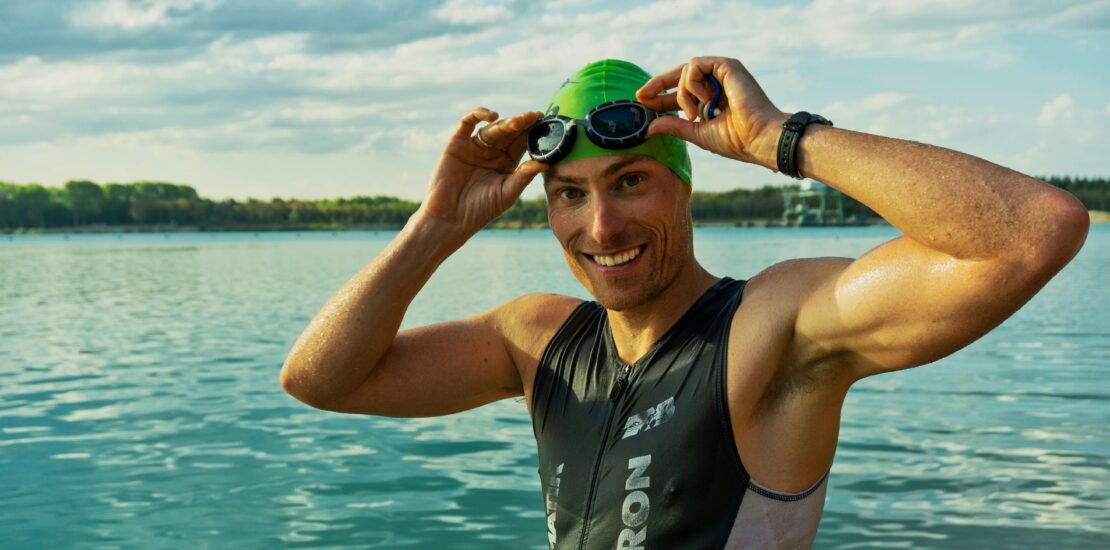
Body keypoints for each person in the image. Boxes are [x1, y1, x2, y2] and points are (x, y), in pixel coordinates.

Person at [279, 57, 1088, 548]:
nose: (601, 227)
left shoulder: (773, 331)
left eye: (630, 183)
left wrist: (779, 138)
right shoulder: (535, 339)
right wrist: (434, 227)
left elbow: (1032, 233)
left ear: (685, 187)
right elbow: (322, 380)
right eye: (569, 195)